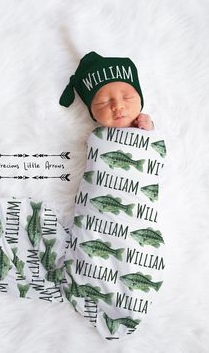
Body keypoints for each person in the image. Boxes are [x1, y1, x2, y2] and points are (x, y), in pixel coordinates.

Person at [59, 51, 167, 340]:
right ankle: (97, 280)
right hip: (97, 218)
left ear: (140, 99)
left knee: (139, 249)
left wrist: (148, 134)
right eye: (104, 102)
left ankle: (130, 289)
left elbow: (151, 164)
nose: (118, 106)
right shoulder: (100, 140)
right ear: (93, 114)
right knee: (91, 241)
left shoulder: (146, 134)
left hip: (137, 215)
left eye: (127, 96)